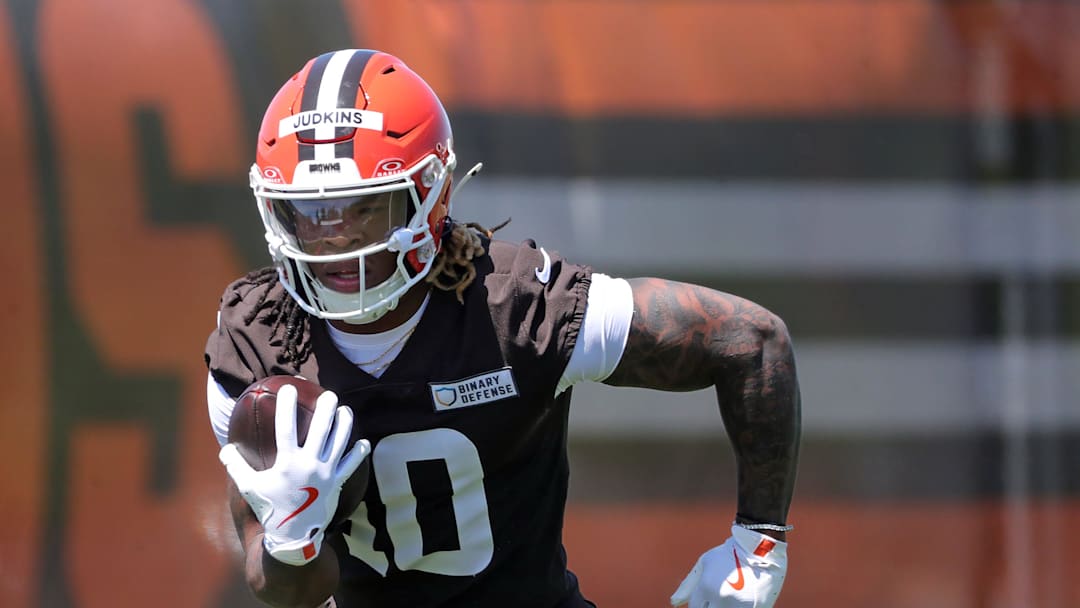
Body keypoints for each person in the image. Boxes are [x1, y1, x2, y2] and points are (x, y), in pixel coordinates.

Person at [205, 49, 801, 608]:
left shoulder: (516, 308)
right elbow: (284, 588)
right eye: (309, 213)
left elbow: (750, 341)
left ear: (428, 198)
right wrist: (293, 538)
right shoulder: (259, 342)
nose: (334, 238)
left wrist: (758, 547)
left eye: (364, 208)